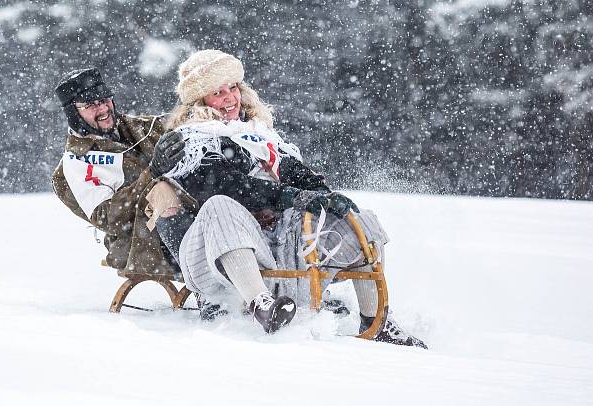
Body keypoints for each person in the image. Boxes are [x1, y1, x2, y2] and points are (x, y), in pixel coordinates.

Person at [150, 50, 427, 348]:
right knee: (220, 205)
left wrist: (324, 196)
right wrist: (289, 196)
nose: (230, 98)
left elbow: (296, 174)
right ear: (200, 100)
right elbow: (227, 187)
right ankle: (261, 305)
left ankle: (376, 323)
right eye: (217, 92)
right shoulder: (189, 141)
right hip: (213, 254)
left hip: (273, 246)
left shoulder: (257, 136)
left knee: (358, 219)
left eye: (233, 88)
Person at [51, 67, 191, 276]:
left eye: (105, 99)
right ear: (74, 113)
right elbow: (107, 217)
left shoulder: (142, 127)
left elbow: (185, 122)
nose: (103, 108)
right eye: (91, 105)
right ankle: (200, 269)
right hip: (138, 243)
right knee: (162, 190)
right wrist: (152, 173)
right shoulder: (76, 161)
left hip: (185, 217)